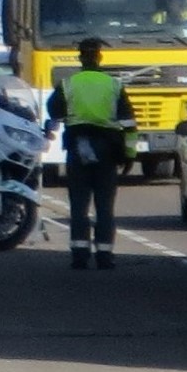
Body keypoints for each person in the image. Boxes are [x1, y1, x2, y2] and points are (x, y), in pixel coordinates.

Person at [51, 38, 129, 271]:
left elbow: (54, 111)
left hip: (78, 147)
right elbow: (129, 123)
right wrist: (129, 154)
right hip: (108, 150)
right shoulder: (114, 85)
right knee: (104, 206)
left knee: (79, 205)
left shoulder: (68, 84)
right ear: (99, 57)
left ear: (80, 58)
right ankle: (104, 255)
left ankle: (80, 255)